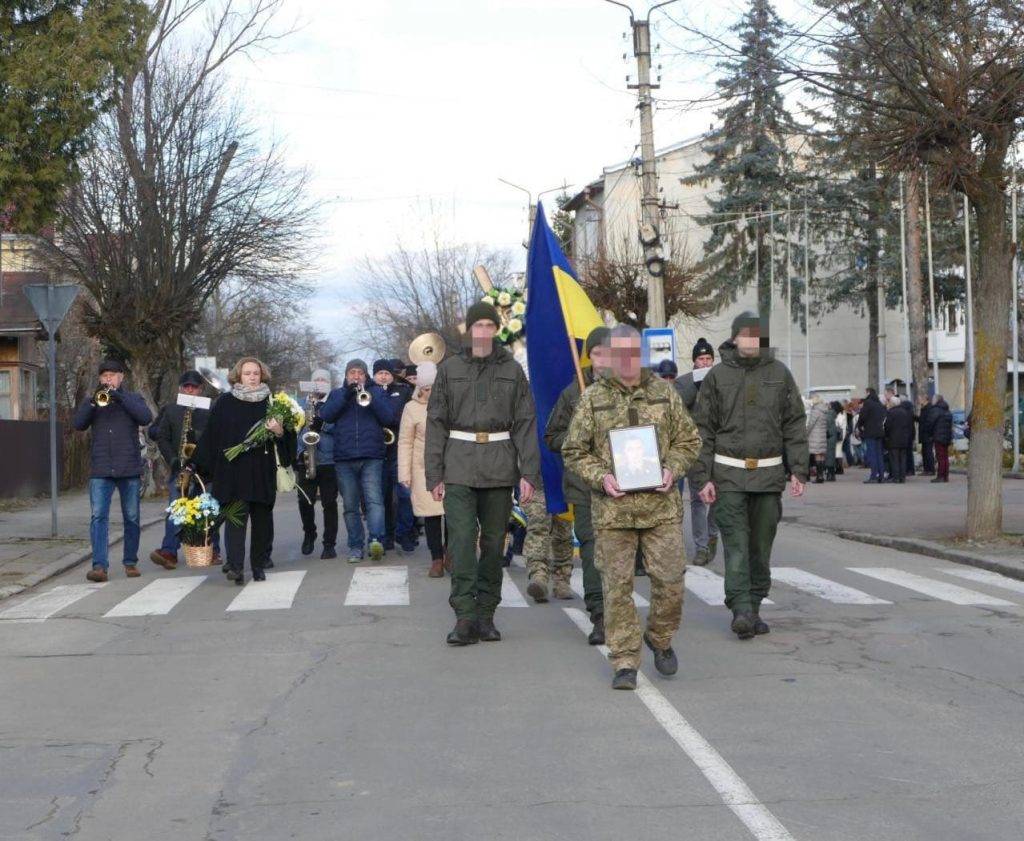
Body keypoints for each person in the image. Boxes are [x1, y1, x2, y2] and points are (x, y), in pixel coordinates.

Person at [562, 324, 701, 690]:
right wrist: (601, 477)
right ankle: (624, 660)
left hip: (661, 509)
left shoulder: (664, 394)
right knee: (617, 588)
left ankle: (659, 636)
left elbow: (689, 440)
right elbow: (574, 450)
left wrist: (673, 468)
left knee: (671, 583)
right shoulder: (593, 398)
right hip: (613, 512)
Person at [425, 301, 541, 646]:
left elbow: (525, 422)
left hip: (499, 466)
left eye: (490, 327)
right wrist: (434, 474)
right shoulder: (450, 369)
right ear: (470, 330)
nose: (484, 332)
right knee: (461, 542)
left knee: (493, 544)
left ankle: (486, 614)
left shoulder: (512, 370)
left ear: (496, 330)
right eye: (479, 327)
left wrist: (528, 473)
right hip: (458, 465)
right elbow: (436, 423)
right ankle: (464, 616)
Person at [692, 313, 808, 641]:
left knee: (760, 544)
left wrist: (798, 469)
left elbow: (794, 423)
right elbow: (703, 430)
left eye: (757, 336)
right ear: (734, 339)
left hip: (769, 476)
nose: (751, 341)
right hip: (728, 474)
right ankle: (741, 607)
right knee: (736, 544)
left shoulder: (779, 374)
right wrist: (703, 478)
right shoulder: (717, 376)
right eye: (745, 336)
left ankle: (755, 605)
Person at [191, 357, 294, 585]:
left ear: (262, 375)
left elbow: (288, 437)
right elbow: (212, 435)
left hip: (261, 471)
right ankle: (236, 567)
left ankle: (258, 565)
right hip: (232, 472)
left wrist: (278, 431)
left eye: (256, 373)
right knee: (236, 521)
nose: (252, 377)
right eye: (247, 373)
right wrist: (196, 463)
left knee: (261, 523)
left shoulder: (273, 402)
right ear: (238, 376)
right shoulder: (225, 402)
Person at [544, 326, 611, 644]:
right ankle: (599, 615)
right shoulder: (574, 392)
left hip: (624, 487)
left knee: (619, 553)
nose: (602, 360)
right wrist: (579, 438)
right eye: (597, 353)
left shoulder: (632, 389)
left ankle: (618, 610)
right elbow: (552, 436)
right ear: (590, 355)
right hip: (585, 485)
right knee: (591, 548)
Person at [73, 359, 154, 583]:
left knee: (132, 516)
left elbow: (145, 417)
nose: (108, 379)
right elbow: (78, 424)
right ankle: (99, 566)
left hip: (128, 467)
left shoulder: (132, 398)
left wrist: (119, 397)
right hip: (101, 468)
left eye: (112, 375)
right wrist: (91, 403)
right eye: (104, 376)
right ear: (100, 379)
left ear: (121, 377)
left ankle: (130, 562)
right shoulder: (94, 400)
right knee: (98, 516)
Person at [319, 359, 398, 563]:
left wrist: (370, 397)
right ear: (346, 376)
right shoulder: (337, 394)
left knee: (374, 501)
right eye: (352, 373)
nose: (356, 376)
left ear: (366, 376)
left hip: (372, 455)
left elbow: (388, 417)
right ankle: (355, 546)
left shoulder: (377, 392)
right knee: (350, 505)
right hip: (344, 458)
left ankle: (375, 540)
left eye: (360, 373)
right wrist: (346, 394)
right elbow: (326, 415)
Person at [148, 370, 220, 569]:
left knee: (207, 510)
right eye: (186, 386)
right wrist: (172, 459)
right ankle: (169, 552)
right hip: (180, 469)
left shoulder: (210, 409)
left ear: (200, 389)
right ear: (180, 389)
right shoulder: (171, 410)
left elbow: (217, 436)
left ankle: (213, 551)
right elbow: (161, 437)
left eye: (194, 387)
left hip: (205, 470)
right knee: (176, 510)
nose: (190, 390)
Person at [397, 362, 446, 576]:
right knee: (431, 514)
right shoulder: (411, 408)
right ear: (420, 388)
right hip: (422, 468)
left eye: (434, 388)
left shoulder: (450, 404)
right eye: (426, 389)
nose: (430, 392)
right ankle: (437, 558)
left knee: (454, 513)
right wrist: (404, 474)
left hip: (451, 464)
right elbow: (405, 442)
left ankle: (451, 553)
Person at [673, 337, 719, 566]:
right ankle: (701, 547)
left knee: (719, 496)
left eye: (709, 358)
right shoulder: (684, 383)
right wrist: (696, 386)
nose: (705, 362)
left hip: (719, 449)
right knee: (699, 499)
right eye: (701, 359)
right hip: (696, 450)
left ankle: (712, 533)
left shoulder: (722, 380)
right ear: (694, 362)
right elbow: (677, 411)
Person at [298, 369, 339, 560]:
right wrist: (299, 452)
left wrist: (322, 425)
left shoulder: (334, 403)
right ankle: (309, 532)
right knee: (305, 501)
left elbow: (340, 427)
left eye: (323, 380)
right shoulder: (301, 404)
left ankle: (329, 543)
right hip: (307, 458)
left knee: (329, 503)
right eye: (316, 380)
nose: (319, 383)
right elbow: (295, 431)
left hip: (329, 460)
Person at [857, 388, 887, 483]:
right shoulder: (879, 404)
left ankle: (874, 475)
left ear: (868, 393)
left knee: (872, 454)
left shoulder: (868, 403)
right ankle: (881, 475)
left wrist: (859, 425)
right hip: (879, 431)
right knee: (879, 454)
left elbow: (862, 416)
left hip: (870, 431)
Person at [884, 397, 913, 483]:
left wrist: (886, 434)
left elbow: (887, 426)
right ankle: (902, 477)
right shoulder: (905, 412)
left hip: (893, 439)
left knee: (894, 459)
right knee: (903, 458)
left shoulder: (891, 412)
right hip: (904, 439)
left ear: (892, 404)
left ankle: (896, 477)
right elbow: (909, 425)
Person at [806, 394, 830, 483]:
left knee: (816, 455)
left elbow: (811, 424)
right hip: (822, 435)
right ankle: (821, 476)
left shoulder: (816, 410)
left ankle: (819, 477)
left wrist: (806, 433)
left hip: (815, 436)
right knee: (821, 456)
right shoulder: (824, 410)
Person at [930, 396, 954, 483]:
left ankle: (940, 476)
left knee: (940, 457)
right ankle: (945, 476)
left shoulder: (936, 410)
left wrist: (930, 433)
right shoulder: (947, 411)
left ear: (936, 400)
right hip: (946, 436)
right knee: (945, 457)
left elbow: (931, 422)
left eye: (933, 399)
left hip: (938, 436)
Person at [918, 394, 937, 475]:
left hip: (927, 434)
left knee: (928, 452)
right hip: (924, 434)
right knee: (924, 452)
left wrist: (928, 432)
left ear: (924, 399)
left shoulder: (928, 408)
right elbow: (922, 420)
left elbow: (927, 422)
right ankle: (926, 469)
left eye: (919, 399)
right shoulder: (923, 408)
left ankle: (931, 469)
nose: (918, 401)